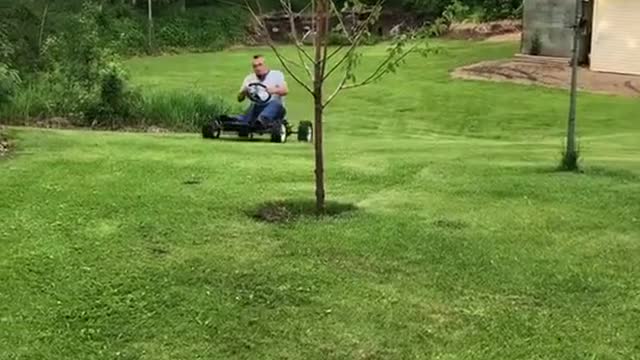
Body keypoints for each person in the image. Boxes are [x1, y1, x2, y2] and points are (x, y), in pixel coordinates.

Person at [236, 55, 288, 126]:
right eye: (255, 66)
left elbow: (285, 90)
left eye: (260, 65)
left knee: (275, 104)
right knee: (253, 106)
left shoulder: (277, 75)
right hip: (257, 107)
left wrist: (275, 90)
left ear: (265, 65)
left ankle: (262, 119)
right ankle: (243, 122)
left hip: (275, 108)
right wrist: (244, 92)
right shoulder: (249, 79)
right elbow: (239, 99)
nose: (258, 68)